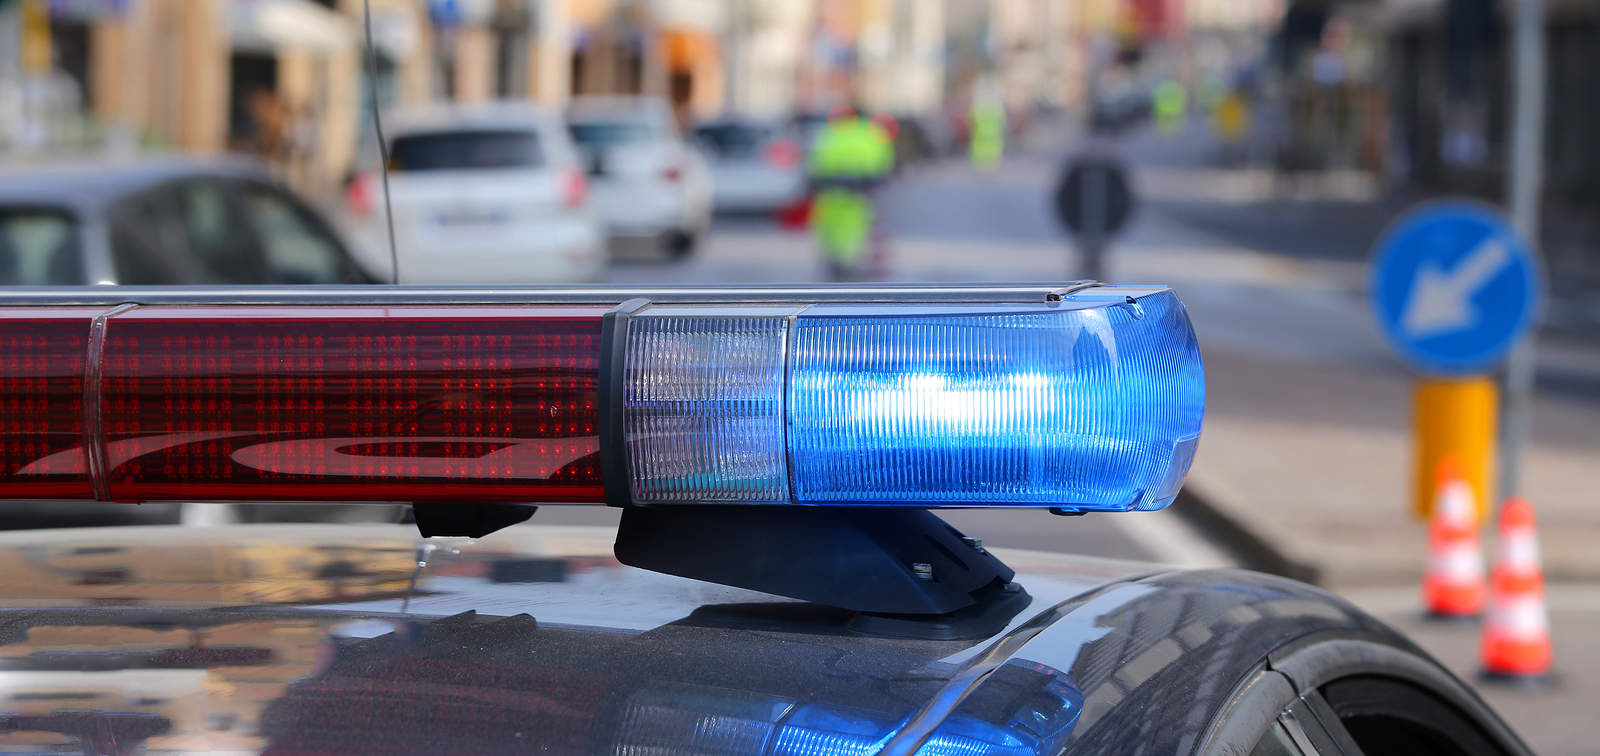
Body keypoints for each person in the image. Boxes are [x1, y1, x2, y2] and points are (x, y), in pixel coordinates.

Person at [806, 107, 895, 281]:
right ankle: (852, 262)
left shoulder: (829, 133)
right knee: (858, 227)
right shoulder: (871, 133)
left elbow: (815, 161)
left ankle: (838, 262)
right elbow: (884, 162)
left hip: (832, 193)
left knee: (833, 229)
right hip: (859, 192)